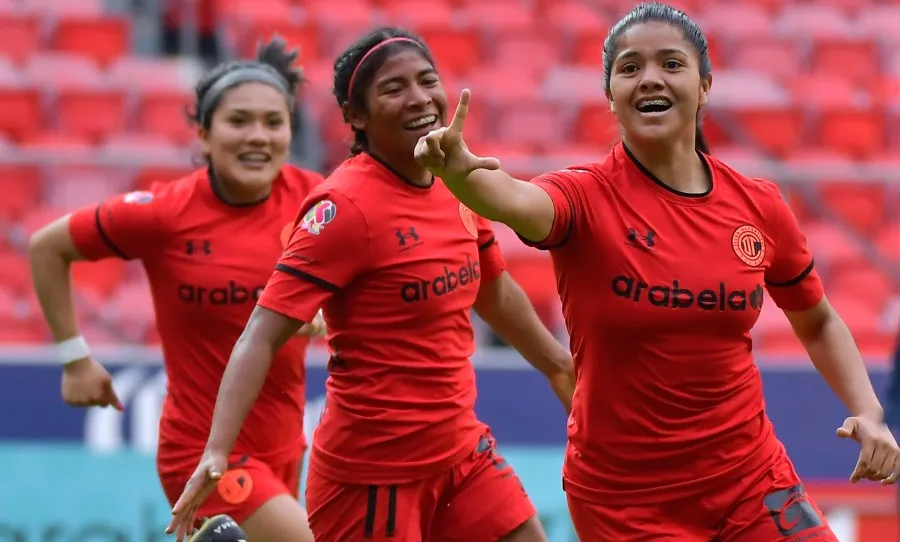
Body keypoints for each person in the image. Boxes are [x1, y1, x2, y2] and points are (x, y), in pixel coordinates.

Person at [413, 2, 900, 541]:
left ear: (705, 84)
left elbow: (819, 320)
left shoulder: (759, 206)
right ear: (611, 95)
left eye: (671, 63)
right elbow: (513, 200)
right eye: (629, 67)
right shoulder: (584, 196)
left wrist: (869, 412)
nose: (650, 79)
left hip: (750, 479)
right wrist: (460, 173)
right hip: (626, 502)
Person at [168, 26, 575, 542]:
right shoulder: (345, 209)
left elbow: (492, 288)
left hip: (462, 454)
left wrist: (560, 367)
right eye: (393, 88)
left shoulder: (458, 179)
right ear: (355, 118)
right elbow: (262, 334)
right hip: (373, 476)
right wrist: (217, 451)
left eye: (427, 80)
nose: (420, 98)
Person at [29, 38, 321, 542]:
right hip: (201, 452)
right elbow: (46, 247)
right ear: (204, 136)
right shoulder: (164, 214)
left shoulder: (318, 203)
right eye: (239, 121)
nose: (258, 136)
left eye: (274, 122)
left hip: (285, 445)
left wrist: (331, 312)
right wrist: (75, 358)